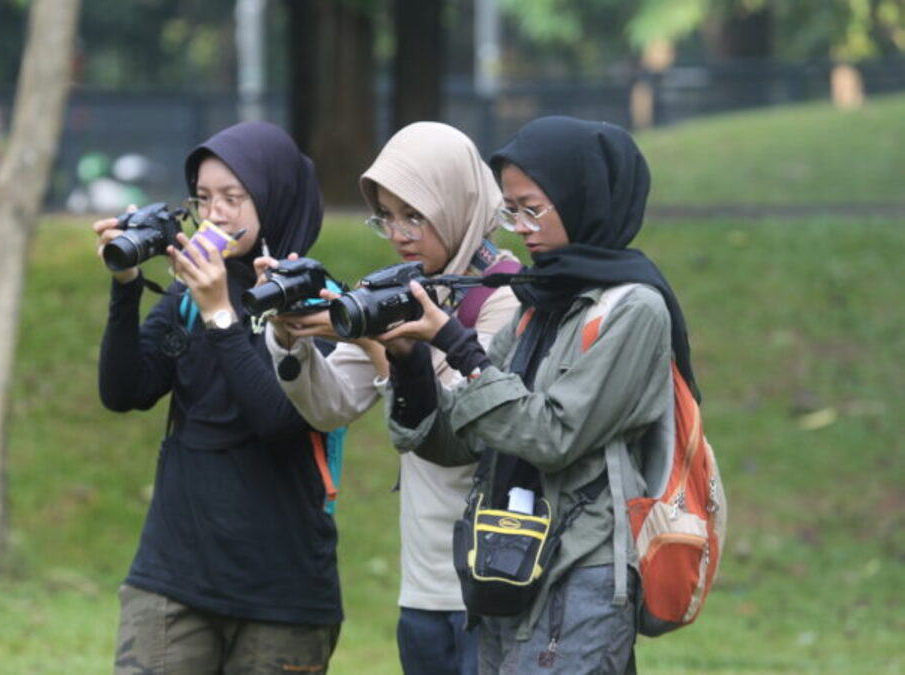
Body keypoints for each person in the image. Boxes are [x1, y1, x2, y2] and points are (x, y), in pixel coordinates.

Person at [377, 116, 700, 673]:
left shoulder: (634, 309)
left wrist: (458, 345)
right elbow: (455, 442)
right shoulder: (539, 301)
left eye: (532, 209)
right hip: (508, 564)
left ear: (582, 199)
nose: (520, 228)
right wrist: (408, 363)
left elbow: (552, 435)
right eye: (510, 211)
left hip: (582, 570)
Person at [259, 122, 521, 674]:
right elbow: (330, 406)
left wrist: (379, 346)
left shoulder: (505, 295)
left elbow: (466, 425)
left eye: (414, 215)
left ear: (456, 203)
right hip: (423, 583)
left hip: (494, 577)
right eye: (386, 216)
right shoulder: (400, 287)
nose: (399, 233)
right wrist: (292, 336)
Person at [92, 121, 342, 674]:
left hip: (283, 592)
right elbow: (124, 391)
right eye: (203, 199)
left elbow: (279, 421)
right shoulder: (189, 292)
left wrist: (222, 316)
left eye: (233, 197)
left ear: (274, 198)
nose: (216, 214)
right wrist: (126, 286)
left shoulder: (321, 302)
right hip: (173, 577)